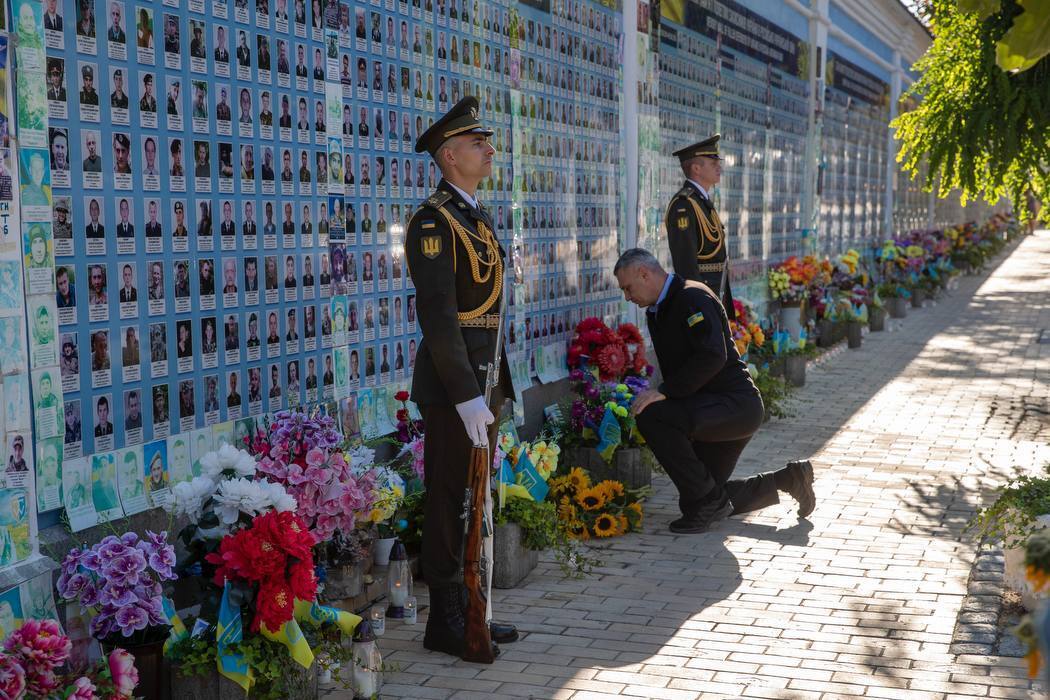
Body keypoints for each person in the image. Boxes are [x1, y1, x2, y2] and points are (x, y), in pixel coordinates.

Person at [406, 97, 516, 659]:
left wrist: (492, 390)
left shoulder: (474, 215)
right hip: (457, 388)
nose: (489, 149)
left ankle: (476, 604)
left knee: (478, 496)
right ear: (449, 156)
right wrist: (468, 396)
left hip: (484, 380)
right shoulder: (433, 221)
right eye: (478, 143)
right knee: (450, 495)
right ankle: (445, 620)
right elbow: (439, 316)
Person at [613, 248, 815, 533]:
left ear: (644, 274)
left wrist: (667, 391)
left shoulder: (691, 298)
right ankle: (789, 479)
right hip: (709, 409)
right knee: (703, 494)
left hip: (733, 408)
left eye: (627, 288)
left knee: (652, 415)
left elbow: (712, 356)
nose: (627, 297)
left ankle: (709, 501)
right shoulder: (658, 310)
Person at [665, 134, 735, 320]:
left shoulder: (701, 201)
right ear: (696, 168)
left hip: (713, 290)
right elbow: (685, 261)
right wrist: (697, 304)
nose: (719, 167)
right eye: (713, 163)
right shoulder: (684, 205)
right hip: (701, 296)